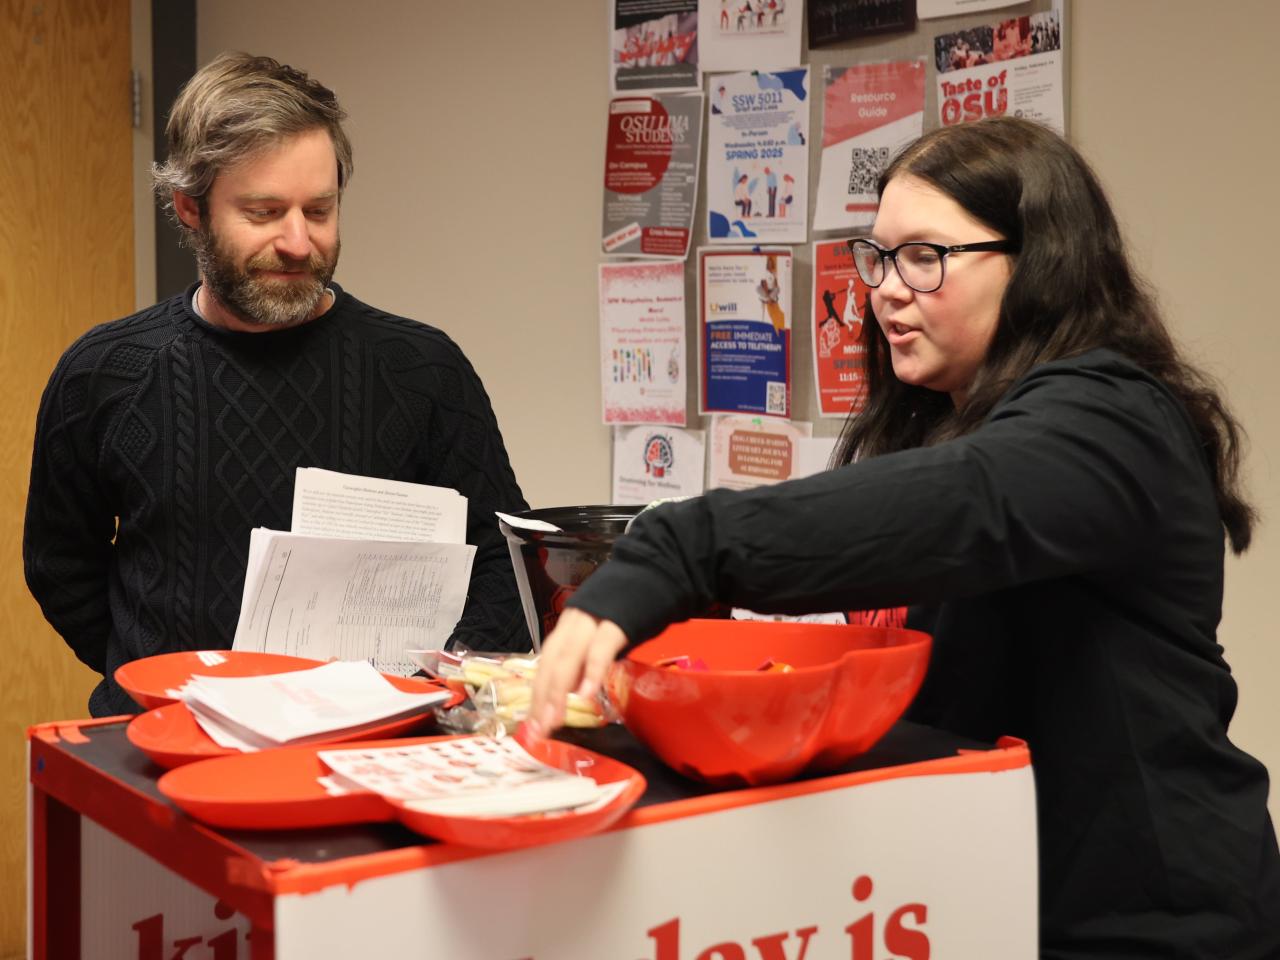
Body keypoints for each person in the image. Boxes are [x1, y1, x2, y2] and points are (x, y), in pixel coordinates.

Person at [530, 116, 1280, 958]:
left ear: (1038, 264)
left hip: (1155, 924)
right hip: (1002, 900)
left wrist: (677, 549)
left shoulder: (1112, 419)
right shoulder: (958, 422)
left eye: (926, 257)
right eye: (878, 256)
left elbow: (967, 505)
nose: (885, 287)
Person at [24, 53, 531, 717]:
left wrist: (431, 696)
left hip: (375, 742)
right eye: (264, 212)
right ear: (190, 210)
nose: (299, 242)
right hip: (163, 741)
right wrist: (152, 669)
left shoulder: (422, 369)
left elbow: (501, 558)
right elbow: (62, 565)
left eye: (319, 210)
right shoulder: (105, 373)